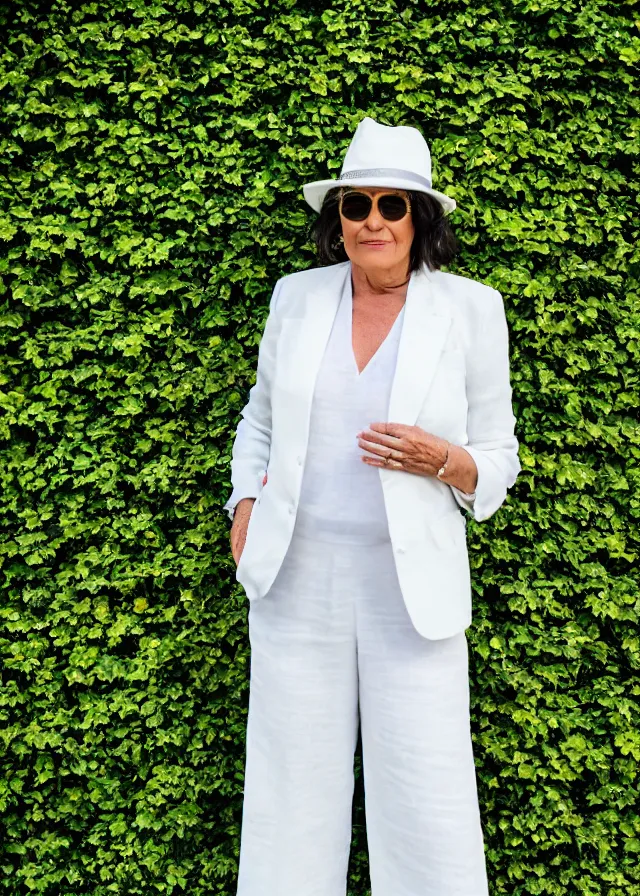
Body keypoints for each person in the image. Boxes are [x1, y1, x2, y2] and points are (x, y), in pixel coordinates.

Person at [223, 116, 521, 896]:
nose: (374, 222)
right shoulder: (296, 298)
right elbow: (258, 419)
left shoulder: (470, 309)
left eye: (394, 205)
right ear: (339, 220)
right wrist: (244, 503)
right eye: (358, 206)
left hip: (409, 590)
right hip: (296, 581)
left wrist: (442, 460)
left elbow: (498, 457)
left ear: (420, 219)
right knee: (290, 790)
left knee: (427, 795)